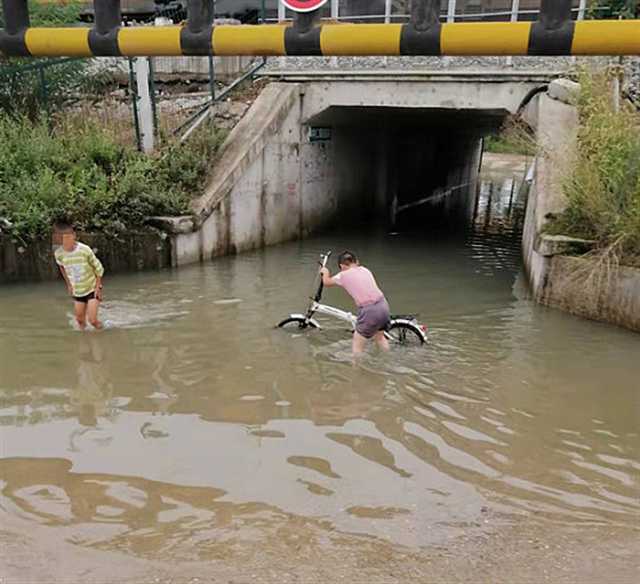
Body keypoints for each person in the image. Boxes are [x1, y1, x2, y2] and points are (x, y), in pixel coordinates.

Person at [320, 251, 390, 355]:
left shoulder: (343, 275)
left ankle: (356, 368)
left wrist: (325, 272)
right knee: (380, 337)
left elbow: (326, 282)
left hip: (369, 311)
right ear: (356, 261)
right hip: (383, 305)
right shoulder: (365, 270)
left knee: (357, 344)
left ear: (342, 265)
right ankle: (386, 357)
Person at [53, 222, 105, 330]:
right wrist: (69, 285)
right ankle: (84, 343)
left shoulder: (84, 250)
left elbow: (99, 268)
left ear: (74, 236)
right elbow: (62, 267)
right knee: (80, 321)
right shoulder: (59, 254)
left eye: (68, 237)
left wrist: (98, 287)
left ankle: (103, 332)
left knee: (93, 320)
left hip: (92, 288)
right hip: (78, 291)